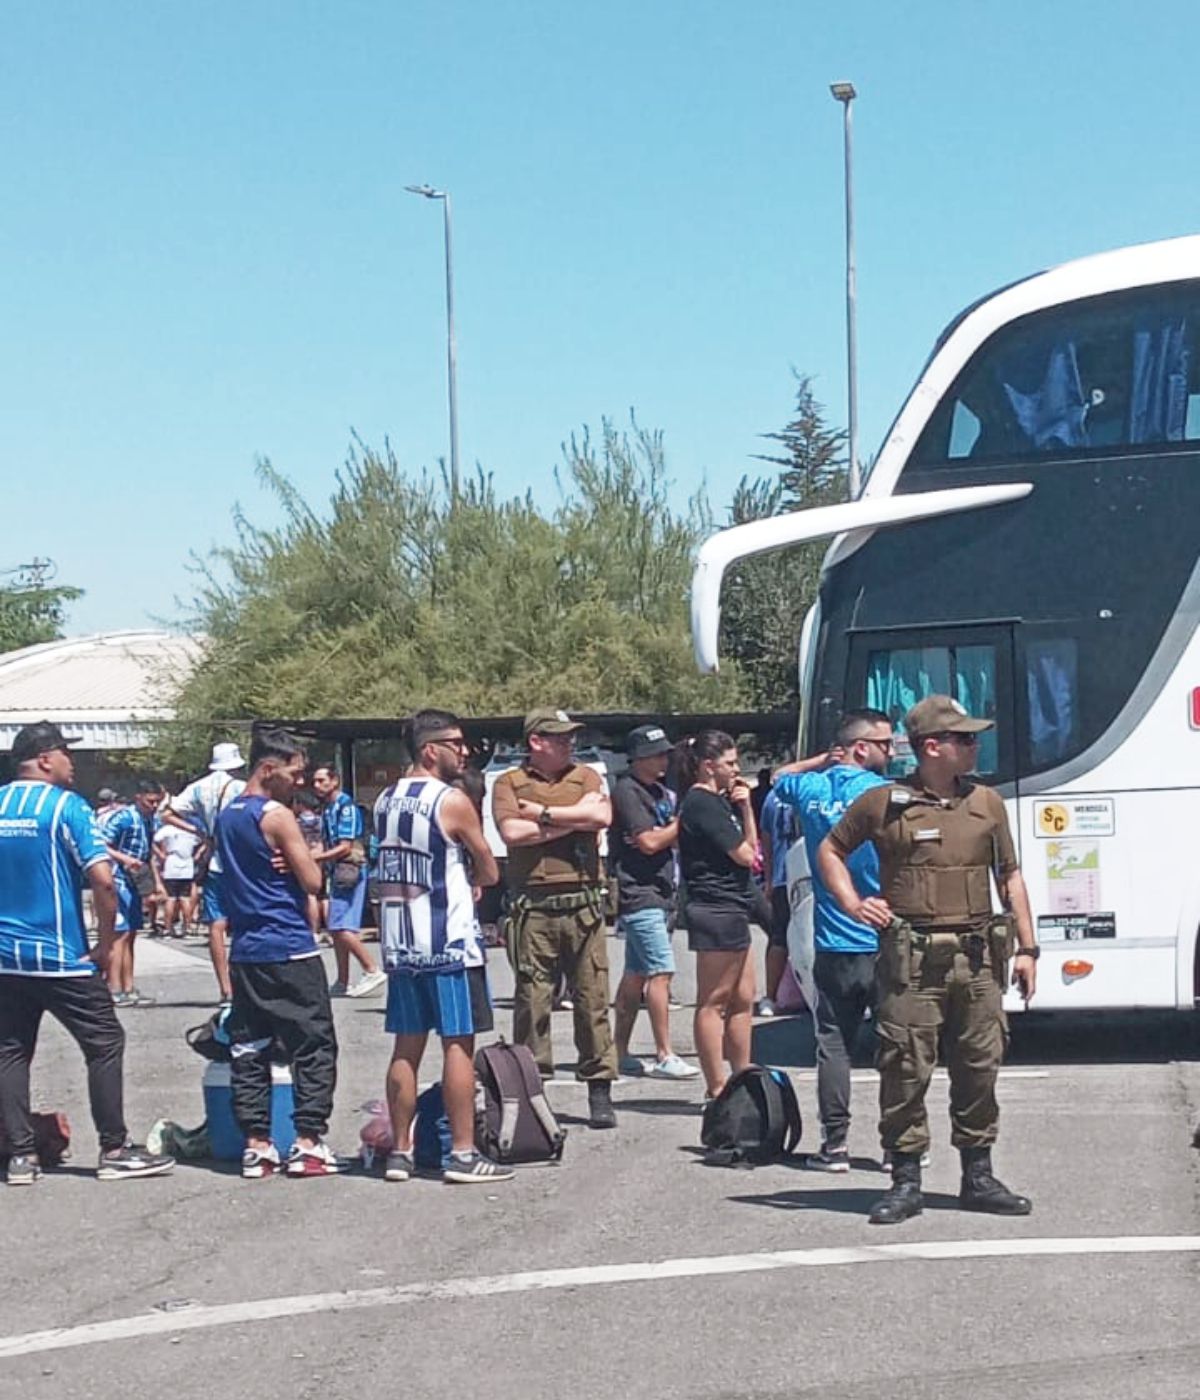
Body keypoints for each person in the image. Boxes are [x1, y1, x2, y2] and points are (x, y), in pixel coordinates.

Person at [817, 695, 1039, 1225]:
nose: (975, 746)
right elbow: (830, 850)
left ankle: (978, 1176)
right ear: (932, 747)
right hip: (912, 961)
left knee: (980, 1065)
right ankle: (905, 1181)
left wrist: (1029, 949)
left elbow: (1009, 876)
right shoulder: (884, 803)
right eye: (965, 739)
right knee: (904, 1068)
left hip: (977, 959)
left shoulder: (986, 803)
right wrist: (853, 903)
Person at [0, 721, 174, 1184]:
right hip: (61, 954)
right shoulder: (67, 806)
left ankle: (20, 1156)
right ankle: (114, 1147)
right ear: (44, 759)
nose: (71, 762)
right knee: (104, 1043)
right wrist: (105, 942)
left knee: (11, 1051)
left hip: (7, 957)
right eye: (64, 752)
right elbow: (102, 879)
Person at [374, 709, 513, 1184]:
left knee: (406, 1046)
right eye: (456, 743)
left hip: (401, 941)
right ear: (430, 750)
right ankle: (462, 1152)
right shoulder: (451, 800)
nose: (464, 751)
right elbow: (488, 866)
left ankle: (400, 1150)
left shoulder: (386, 799)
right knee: (458, 1042)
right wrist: (475, 877)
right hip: (447, 941)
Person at [215, 728, 343, 1179]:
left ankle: (257, 1143)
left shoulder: (227, 815)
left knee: (249, 1045)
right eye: (294, 772)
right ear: (268, 769)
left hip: (246, 949)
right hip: (288, 944)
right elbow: (313, 881)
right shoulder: (277, 816)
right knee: (313, 1044)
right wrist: (301, 855)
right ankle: (308, 1141)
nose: (300, 781)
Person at [773, 709, 893, 1170]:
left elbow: (780, 775)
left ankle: (835, 1144)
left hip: (833, 939)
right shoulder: (886, 794)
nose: (891, 751)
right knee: (894, 1045)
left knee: (834, 1045)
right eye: (884, 744)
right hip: (882, 936)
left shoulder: (811, 789)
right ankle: (896, 1147)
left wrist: (824, 759)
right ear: (862, 748)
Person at [492, 708, 618, 1129]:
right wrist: (573, 820)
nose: (569, 744)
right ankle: (533, 1090)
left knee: (592, 998)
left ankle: (599, 1088)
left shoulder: (586, 777)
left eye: (570, 737)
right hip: (534, 907)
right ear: (536, 741)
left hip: (583, 905)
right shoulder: (510, 783)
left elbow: (601, 818)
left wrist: (542, 815)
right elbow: (512, 833)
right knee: (533, 1001)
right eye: (560, 738)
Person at [611, 725, 697, 1081]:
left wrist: (672, 830)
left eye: (665, 754)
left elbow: (669, 839)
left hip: (662, 891)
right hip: (639, 891)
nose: (664, 760)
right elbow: (648, 842)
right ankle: (664, 1054)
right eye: (657, 754)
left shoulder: (660, 791)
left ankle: (617, 1051)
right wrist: (683, 821)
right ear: (638, 758)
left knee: (636, 975)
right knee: (661, 971)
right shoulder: (627, 791)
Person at [676, 730, 759, 1098]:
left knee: (743, 997)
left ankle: (743, 1076)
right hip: (715, 907)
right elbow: (743, 855)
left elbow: (752, 852)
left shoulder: (722, 803)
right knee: (714, 1001)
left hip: (735, 904)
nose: (736, 770)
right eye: (730, 763)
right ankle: (717, 1086)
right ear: (708, 766)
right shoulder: (701, 803)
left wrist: (746, 808)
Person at [161, 742, 247, 1007]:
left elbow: (167, 813)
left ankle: (225, 989)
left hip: (215, 860)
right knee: (244, 922)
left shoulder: (198, 787)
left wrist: (198, 831)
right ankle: (246, 985)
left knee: (216, 926)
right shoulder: (241, 787)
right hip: (240, 860)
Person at [310, 765, 386, 999]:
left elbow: (345, 846)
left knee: (340, 926)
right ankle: (342, 980)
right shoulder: (328, 809)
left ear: (334, 781)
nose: (316, 785)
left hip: (350, 869)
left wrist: (317, 858)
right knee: (337, 928)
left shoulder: (346, 807)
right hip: (336, 871)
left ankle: (371, 968)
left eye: (321, 780)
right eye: (314, 781)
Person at [100, 779, 164, 1007]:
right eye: (150, 801)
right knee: (120, 934)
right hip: (118, 878)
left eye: (157, 802)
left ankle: (128, 987)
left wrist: (157, 883)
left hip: (136, 880)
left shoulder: (151, 820)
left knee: (131, 933)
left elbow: (149, 855)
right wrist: (125, 859)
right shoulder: (123, 818)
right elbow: (101, 843)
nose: (154, 806)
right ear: (139, 797)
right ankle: (114, 987)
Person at [755, 779, 798, 1017]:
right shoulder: (823, 789)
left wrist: (769, 877)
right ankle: (771, 995)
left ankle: (770, 997)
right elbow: (767, 836)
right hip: (808, 874)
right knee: (782, 936)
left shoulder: (773, 796)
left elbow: (766, 839)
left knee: (779, 936)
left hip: (784, 875)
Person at [153, 809, 200, 937]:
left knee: (171, 898)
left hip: (172, 862)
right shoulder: (191, 829)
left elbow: (153, 840)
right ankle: (187, 928)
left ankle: (168, 929)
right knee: (185, 897)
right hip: (187, 863)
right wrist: (198, 854)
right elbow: (204, 841)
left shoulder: (167, 829)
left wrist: (160, 854)